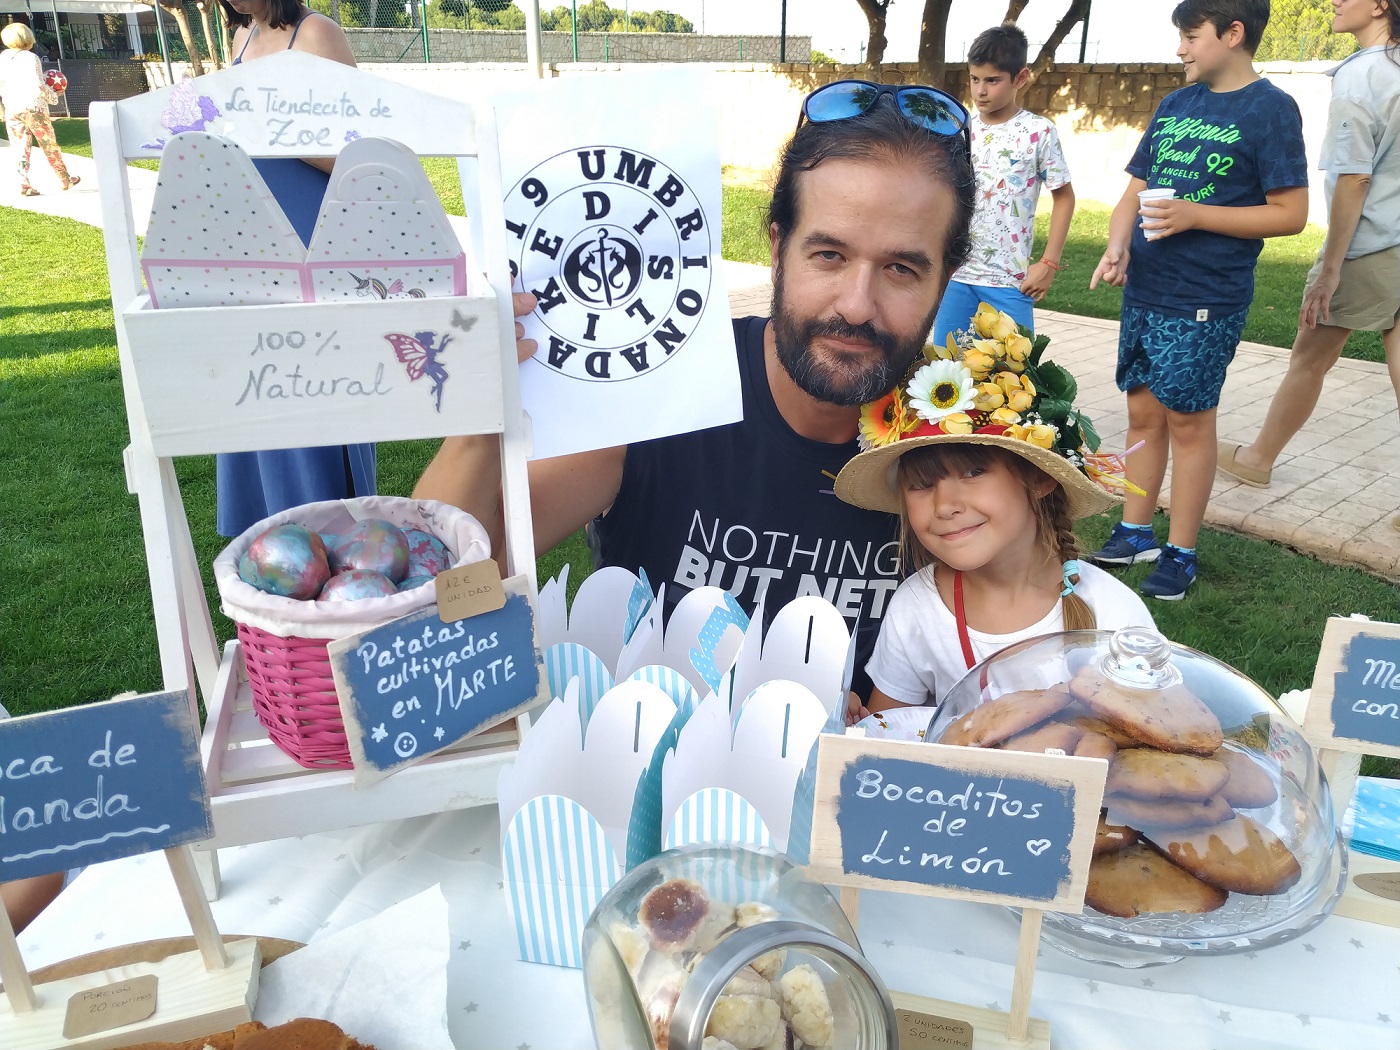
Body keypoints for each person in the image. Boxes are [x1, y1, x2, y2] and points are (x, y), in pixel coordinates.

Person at [415, 81, 977, 700]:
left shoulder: (974, 438)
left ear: (945, 278)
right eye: (829, 255)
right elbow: (451, 588)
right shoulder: (662, 388)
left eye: (902, 268)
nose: (857, 305)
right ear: (776, 248)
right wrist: (474, 429)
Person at [1087, 0, 1309, 600]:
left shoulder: (1271, 110)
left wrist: (1194, 216)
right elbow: (1132, 192)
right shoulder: (1176, 104)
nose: (1180, 49)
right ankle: (1135, 532)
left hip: (1205, 297)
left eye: (1190, 36)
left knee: (1188, 421)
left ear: (1233, 34)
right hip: (1147, 290)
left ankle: (1180, 551)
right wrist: (1117, 244)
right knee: (1141, 414)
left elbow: (1291, 215)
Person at [833, 320, 1153, 713]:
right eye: (921, 484)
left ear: (1038, 478)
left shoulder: (1113, 615)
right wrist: (860, 727)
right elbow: (892, 732)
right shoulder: (916, 607)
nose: (945, 504)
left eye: (973, 472)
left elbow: (1148, 748)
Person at [1217, 0, 1400, 527]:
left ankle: (1257, 459)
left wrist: (1330, 267)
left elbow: (1354, 177)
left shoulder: (1363, 74)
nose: (1335, 2)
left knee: (1310, 357)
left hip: (1372, 243)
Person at [213, 0, 374, 537]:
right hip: (251, 247)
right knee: (257, 398)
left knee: (312, 396)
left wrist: (272, 129)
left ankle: (331, 544)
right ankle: (267, 551)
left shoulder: (316, 33)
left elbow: (360, 153)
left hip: (310, 244)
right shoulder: (241, 36)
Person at [931, 23, 1075, 347]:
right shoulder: (960, 129)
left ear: (1020, 78)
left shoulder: (1039, 132)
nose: (980, 90)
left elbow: (1064, 198)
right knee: (945, 373)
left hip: (1010, 282)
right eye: (975, 79)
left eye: (992, 80)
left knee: (1015, 382)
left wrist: (1049, 263)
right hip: (957, 277)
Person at [0, 22, 77, 196]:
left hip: (12, 107)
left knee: (20, 147)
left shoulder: (3, 57)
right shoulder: (30, 58)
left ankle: (24, 183)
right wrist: (53, 97)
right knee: (49, 144)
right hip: (33, 108)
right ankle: (65, 179)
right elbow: (38, 84)